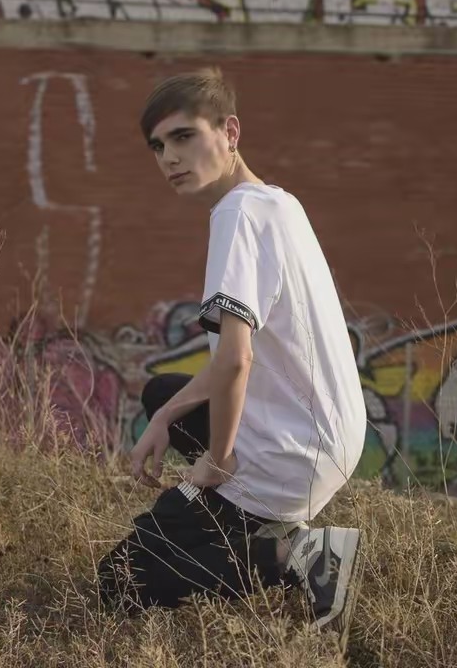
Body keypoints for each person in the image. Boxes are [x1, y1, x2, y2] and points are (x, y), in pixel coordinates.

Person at [97, 67, 366, 650]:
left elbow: (236, 361)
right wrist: (166, 415)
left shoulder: (235, 215)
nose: (169, 157)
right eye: (158, 146)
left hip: (290, 452)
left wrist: (216, 463)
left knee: (120, 580)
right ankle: (268, 522)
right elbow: (231, 363)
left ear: (230, 132)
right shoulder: (278, 203)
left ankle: (299, 553)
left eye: (184, 136)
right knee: (161, 393)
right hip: (330, 440)